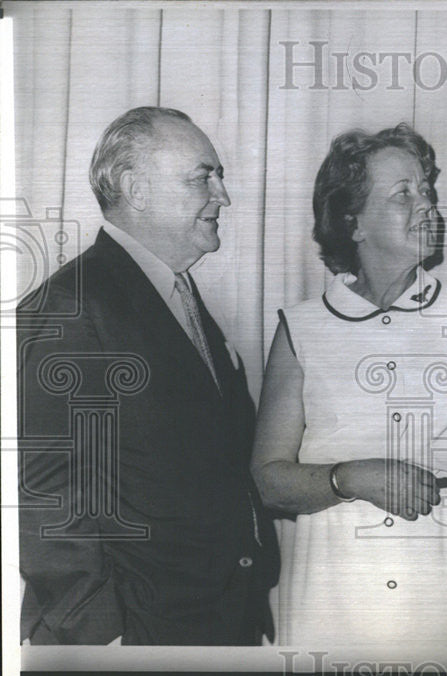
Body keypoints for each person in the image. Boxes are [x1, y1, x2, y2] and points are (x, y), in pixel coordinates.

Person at [18, 107, 279, 645]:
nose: (222, 196)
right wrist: (102, 639)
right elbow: (47, 498)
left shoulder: (178, 296)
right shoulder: (73, 308)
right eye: (202, 176)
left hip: (218, 625)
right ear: (136, 189)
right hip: (139, 643)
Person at [251, 124, 447, 646]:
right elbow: (268, 479)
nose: (426, 206)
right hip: (335, 585)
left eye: (427, 190)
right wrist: (350, 477)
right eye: (402, 195)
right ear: (354, 223)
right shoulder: (302, 328)